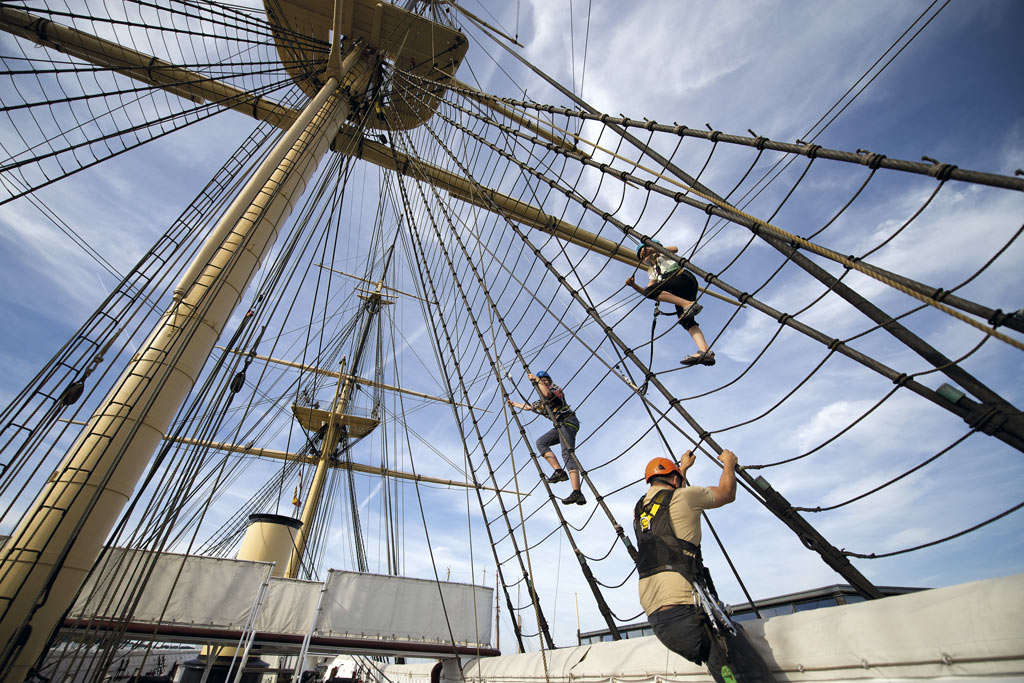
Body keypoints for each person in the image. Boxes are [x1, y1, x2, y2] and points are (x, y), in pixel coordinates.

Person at [634, 451, 775, 682]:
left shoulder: (639, 511)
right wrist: (729, 463)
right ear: (676, 480)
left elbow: (668, 504)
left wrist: (682, 469)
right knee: (747, 670)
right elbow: (727, 493)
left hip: (659, 620)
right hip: (688, 614)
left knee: (728, 653)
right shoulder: (686, 497)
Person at [625, 240, 715, 366]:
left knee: (655, 292)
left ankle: (687, 305)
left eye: (644, 252)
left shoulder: (662, 254)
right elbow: (648, 292)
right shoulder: (652, 272)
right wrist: (633, 285)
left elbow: (674, 248)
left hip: (681, 277)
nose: (644, 257)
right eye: (641, 257)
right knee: (686, 321)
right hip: (679, 290)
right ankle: (705, 351)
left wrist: (653, 249)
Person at [507, 371, 585, 505]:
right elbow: (529, 407)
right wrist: (514, 404)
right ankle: (559, 471)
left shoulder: (555, 389)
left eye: (545, 380)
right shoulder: (541, 401)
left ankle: (577, 492)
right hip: (559, 425)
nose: (544, 382)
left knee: (567, 453)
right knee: (541, 443)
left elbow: (548, 394)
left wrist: (537, 379)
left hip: (568, 421)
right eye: (542, 381)